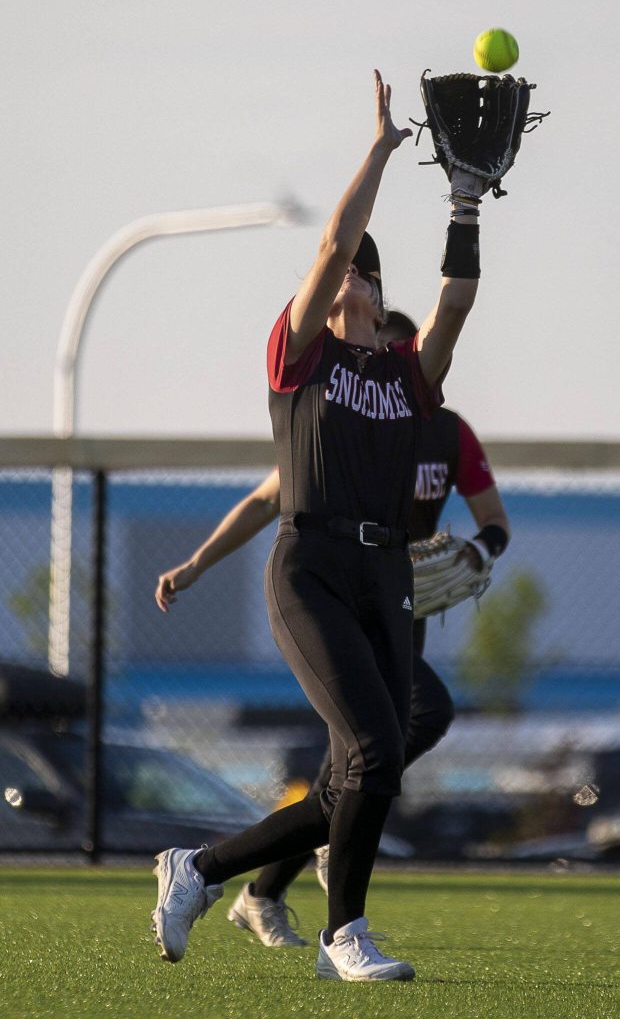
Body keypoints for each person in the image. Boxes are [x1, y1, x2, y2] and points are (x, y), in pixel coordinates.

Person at [151, 69, 483, 982]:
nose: (341, 283)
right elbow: (337, 238)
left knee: (354, 777)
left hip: (388, 580)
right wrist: (378, 149)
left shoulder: (406, 376)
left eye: (359, 278)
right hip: (312, 567)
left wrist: (464, 204)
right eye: (336, 275)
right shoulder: (301, 358)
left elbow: (455, 302)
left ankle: (203, 868)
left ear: (376, 296)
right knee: (375, 752)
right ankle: (346, 935)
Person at [155, 311, 510, 950]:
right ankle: (291, 896)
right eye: (389, 353)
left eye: (409, 354)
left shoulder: (450, 433)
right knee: (378, 750)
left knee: (355, 767)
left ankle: (255, 887)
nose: (397, 366)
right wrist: (197, 563)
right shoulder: (352, 415)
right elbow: (268, 499)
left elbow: (495, 522)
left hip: (400, 603)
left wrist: (479, 552)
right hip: (338, 601)